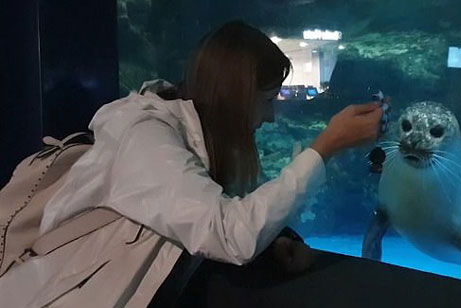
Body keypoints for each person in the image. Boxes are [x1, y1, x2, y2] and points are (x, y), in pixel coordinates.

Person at [1, 21, 383, 307]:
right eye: (267, 100)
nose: (270, 118)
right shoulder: (146, 138)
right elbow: (227, 233)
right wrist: (325, 147)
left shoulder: (196, 137)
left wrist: (277, 244)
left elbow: (206, 211)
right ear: (237, 95)